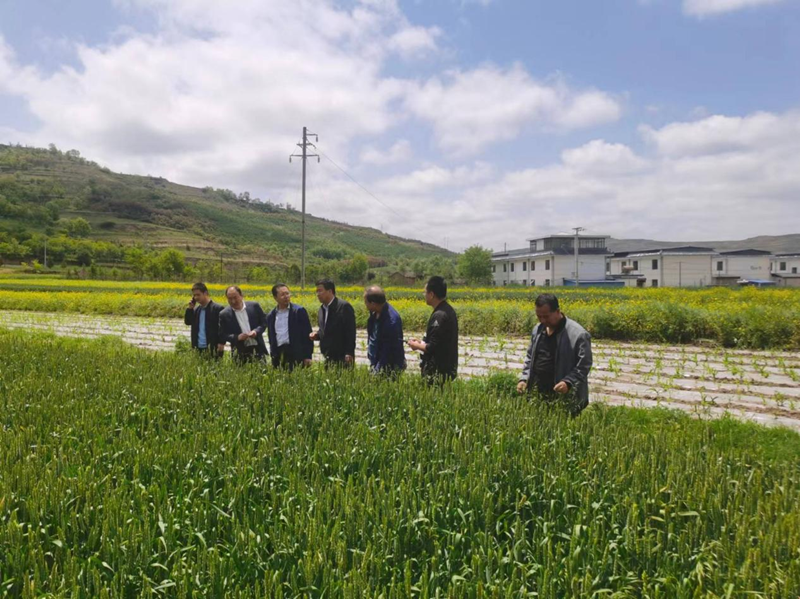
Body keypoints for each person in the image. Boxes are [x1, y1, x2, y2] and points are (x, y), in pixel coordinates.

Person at [516, 293, 593, 416]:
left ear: (557, 311)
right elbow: (530, 357)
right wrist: (524, 378)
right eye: (539, 316)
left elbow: (584, 365)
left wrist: (568, 382)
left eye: (546, 316)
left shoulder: (578, 334)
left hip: (563, 397)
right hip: (538, 394)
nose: (542, 320)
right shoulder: (538, 329)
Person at [408, 276, 458, 383]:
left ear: (431, 295)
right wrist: (421, 342)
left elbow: (432, 347)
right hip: (446, 369)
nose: (424, 295)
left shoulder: (439, 315)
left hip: (437, 372)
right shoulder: (447, 310)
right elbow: (440, 341)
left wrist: (416, 345)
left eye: (425, 292)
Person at [265, 283, 313, 370]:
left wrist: (308, 356)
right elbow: (271, 337)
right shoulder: (271, 315)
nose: (286, 296)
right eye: (282, 294)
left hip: (296, 353)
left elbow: (307, 334)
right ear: (275, 298)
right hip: (278, 354)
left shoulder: (298, 311)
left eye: (287, 293)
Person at [309, 278, 356, 368]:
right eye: (316, 291)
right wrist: (317, 335)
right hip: (327, 357)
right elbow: (325, 330)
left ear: (330, 291)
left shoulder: (343, 307)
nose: (317, 294)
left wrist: (349, 353)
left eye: (320, 291)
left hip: (342, 357)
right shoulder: (321, 309)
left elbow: (350, 332)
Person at [218, 285, 268, 364]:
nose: (233, 301)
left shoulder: (254, 306)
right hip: (239, 352)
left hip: (258, 349)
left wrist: (256, 331)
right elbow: (222, 335)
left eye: (235, 297)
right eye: (230, 299)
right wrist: (237, 337)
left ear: (241, 296)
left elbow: (264, 323)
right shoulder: (224, 314)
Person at [364, 285, 406, 376]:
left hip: (388, 366)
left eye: (366, 302)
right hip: (376, 361)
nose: (365, 305)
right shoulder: (374, 313)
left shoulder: (391, 321)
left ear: (373, 304)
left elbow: (387, 350)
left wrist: (377, 370)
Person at [184, 282, 224, 358]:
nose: (196, 297)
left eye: (198, 295)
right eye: (194, 295)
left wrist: (221, 343)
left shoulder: (217, 309)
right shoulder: (196, 310)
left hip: (212, 348)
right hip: (197, 348)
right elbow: (188, 322)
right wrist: (190, 309)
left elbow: (223, 329)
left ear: (205, 293)